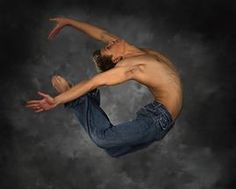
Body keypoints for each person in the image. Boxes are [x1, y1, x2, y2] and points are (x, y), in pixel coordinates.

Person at [25, 17, 183, 157]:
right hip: (157, 120)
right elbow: (92, 82)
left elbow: (100, 34)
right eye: (108, 47)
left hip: (163, 123)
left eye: (107, 45)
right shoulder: (130, 66)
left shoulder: (130, 50)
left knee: (113, 150)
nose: (110, 42)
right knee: (102, 139)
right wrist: (56, 100)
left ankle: (85, 100)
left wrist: (69, 22)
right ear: (116, 58)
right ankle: (77, 101)